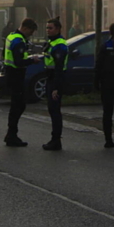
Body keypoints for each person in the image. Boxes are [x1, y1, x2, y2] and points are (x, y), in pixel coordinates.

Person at [3, 17, 38, 147]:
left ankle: (11, 134)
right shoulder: (19, 41)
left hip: (10, 74)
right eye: (31, 31)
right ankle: (11, 135)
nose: (31, 34)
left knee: (17, 105)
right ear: (25, 28)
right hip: (16, 75)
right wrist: (32, 60)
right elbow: (19, 62)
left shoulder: (11, 36)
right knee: (18, 106)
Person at [41, 17, 68, 151]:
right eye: (47, 28)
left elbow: (58, 67)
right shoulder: (52, 42)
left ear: (57, 29)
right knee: (52, 110)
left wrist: (56, 88)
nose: (48, 30)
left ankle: (56, 140)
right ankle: (54, 139)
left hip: (56, 79)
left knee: (55, 110)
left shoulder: (59, 45)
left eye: (50, 28)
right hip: (50, 78)